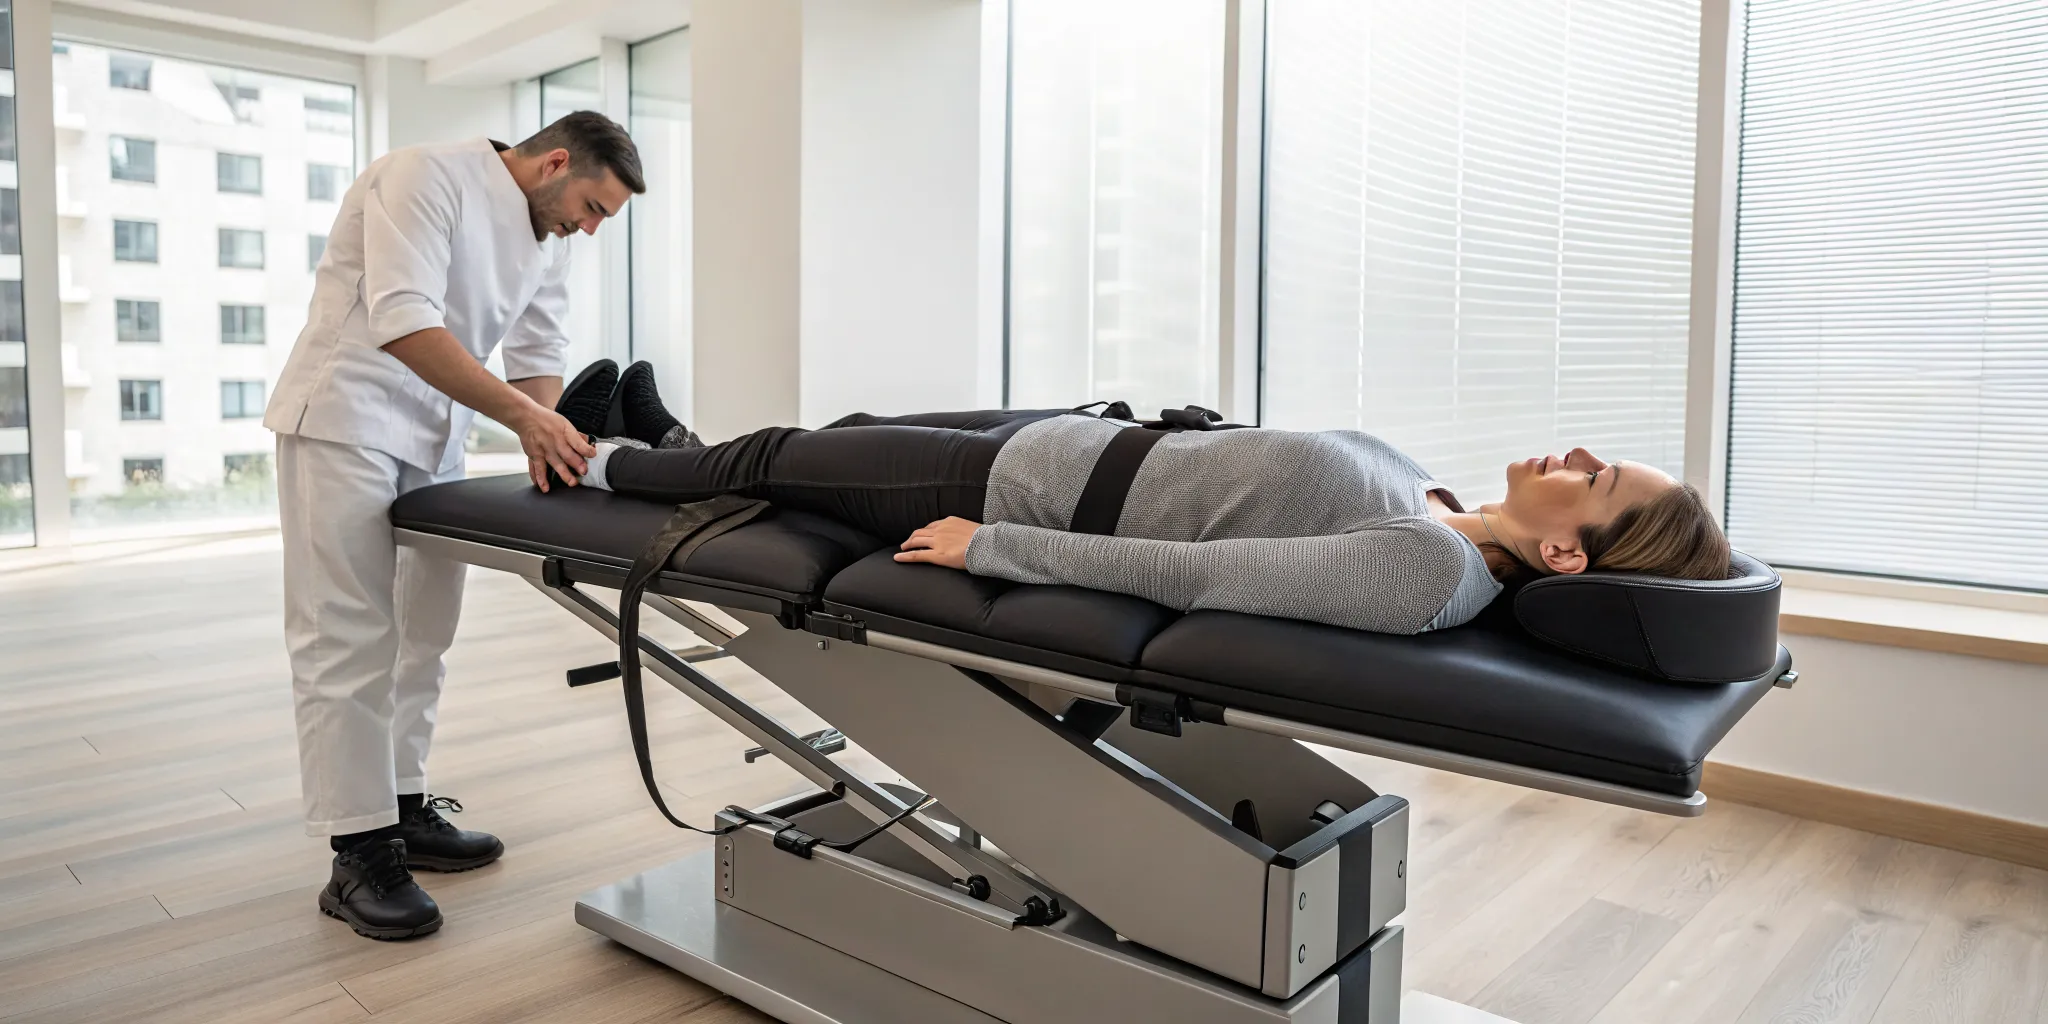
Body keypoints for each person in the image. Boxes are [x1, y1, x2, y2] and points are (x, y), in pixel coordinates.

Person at [558, 363, 1730, 637]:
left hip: (1018, 489)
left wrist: (993, 546)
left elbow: (1203, 572)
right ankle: (670, 437)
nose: (1579, 454)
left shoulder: (1427, 570)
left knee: (779, 453)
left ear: (1572, 557)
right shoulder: (1450, 515)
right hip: (1068, 438)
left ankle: (594, 453)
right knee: (839, 437)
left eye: (1601, 477)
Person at [263, 112, 643, 941]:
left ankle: (400, 804)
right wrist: (523, 421)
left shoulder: (547, 234)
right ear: (552, 163)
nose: (591, 226)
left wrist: (548, 442)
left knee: (424, 631)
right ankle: (358, 851)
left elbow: (539, 347)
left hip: (435, 435)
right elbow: (402, 319)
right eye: (592, 206)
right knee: (348, 634)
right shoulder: (422, 176)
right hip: (346, 418)